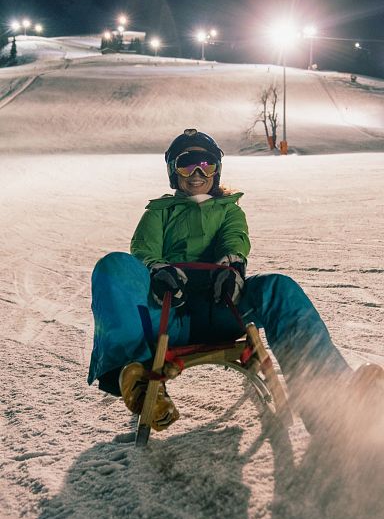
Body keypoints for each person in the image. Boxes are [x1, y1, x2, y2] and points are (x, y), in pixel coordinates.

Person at [88, 128, 384, 433]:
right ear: (172, 171)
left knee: (278, 288)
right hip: (169, 314)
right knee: (113, 266)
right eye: (187, 164)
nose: (197, 173)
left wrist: (231, 269)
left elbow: (234, 241)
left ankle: (330, 401)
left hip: (223, 307)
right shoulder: (159, 213)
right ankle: (135, 378)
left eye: (207, 164)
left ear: (217, 169)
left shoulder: (229, 209)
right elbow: (143, 250)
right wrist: (157, 270)